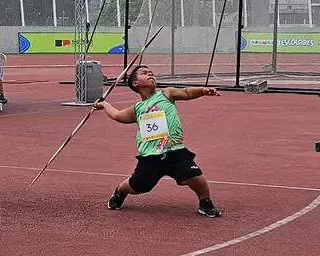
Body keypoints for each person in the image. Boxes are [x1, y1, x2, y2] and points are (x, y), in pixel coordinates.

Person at [92, 65, 222, 217]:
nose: (150, 74)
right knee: (138, 187)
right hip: (150, 156)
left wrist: (203, 91)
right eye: (144, 73)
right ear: (135, 83)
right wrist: (105, 105)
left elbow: (186, 92)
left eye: (151, 73)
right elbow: (117, 115)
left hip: (175, 151)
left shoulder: (166, 94)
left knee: (197, 178)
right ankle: (120, 192)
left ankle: (205, 203)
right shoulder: (137, 108)